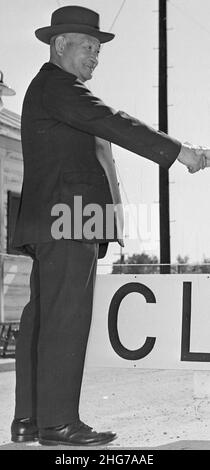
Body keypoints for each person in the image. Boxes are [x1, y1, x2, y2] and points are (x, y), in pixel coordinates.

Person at [10, 5, 209, 447]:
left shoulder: (51, 89)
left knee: (43, 320)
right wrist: (180, 151)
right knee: (65, 320)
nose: (95, 56)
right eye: (88, 47)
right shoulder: (60, 87)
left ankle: (29, 420)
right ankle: (58, 424)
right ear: (60, 45)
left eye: (98, 49)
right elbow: (114, 123)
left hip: (55, 220)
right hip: (69, 219)